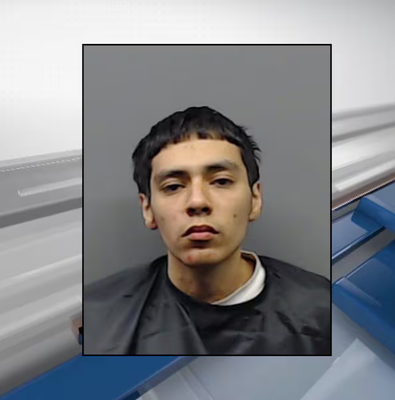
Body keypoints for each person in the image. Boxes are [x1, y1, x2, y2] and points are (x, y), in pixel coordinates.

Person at [84, 106, 330, 355]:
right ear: (147, 209)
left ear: (255, 200)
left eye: (221, 181)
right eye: (173, 186)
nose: (197, 201)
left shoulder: (322, 309)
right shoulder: (98, 316)